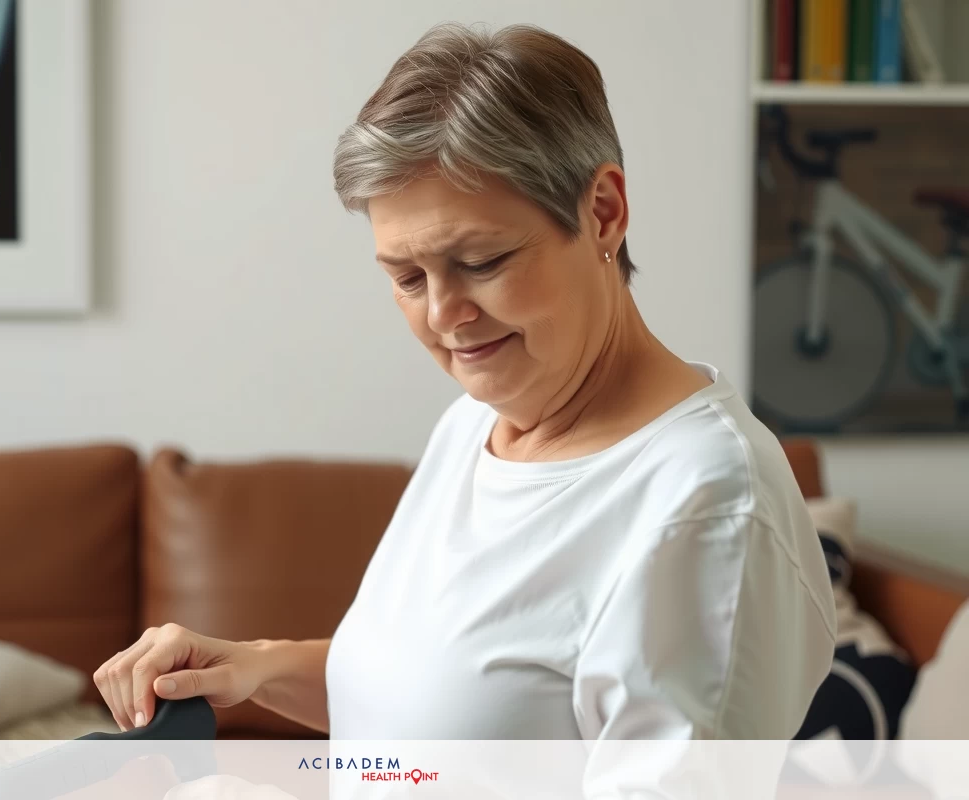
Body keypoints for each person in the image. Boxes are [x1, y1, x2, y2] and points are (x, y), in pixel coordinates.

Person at [95, 21, 837, 743]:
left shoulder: (706, 502)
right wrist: (255, 667)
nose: (446, 315)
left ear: (603, 214)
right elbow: (450, 708)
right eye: (407, 277)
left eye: (481, 263)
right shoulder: (473, 427)